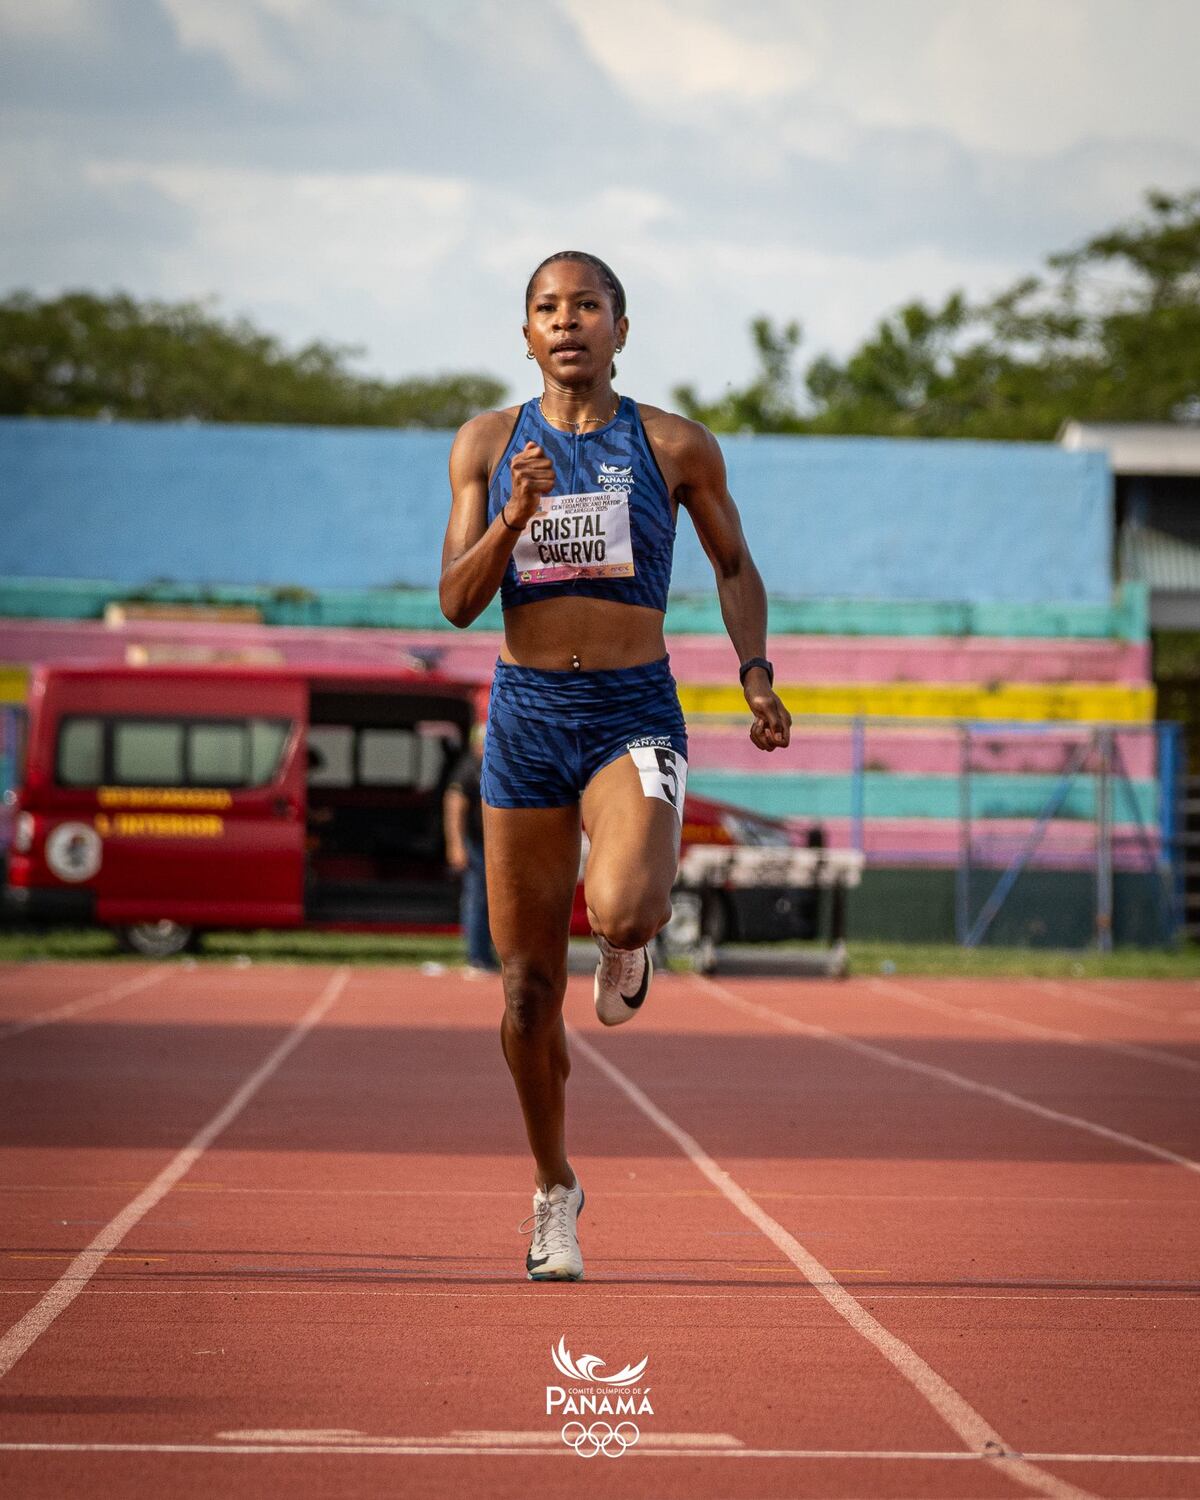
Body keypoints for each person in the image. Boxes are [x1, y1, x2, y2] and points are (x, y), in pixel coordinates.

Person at [440, 250, 791, 1281]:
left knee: (629, 907)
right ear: (525, 333)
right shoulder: (486, 444)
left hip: (632, 710)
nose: (567, 324)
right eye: (547, 309)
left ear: (620, 329)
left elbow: (733, 565)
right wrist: (513, 512)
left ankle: (630, 945)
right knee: (524, 991)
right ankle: (555, 1188)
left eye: (585, 307)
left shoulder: (675, 446)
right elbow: (457, 602)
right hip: (528, 716)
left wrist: (757, 673)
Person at [443, 724, 497, 976]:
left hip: (497, 845)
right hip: (477, 844)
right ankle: (477, 957)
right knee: (476, 899)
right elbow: (454, 806)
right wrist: (456, 846)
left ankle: (490, 956)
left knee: (496, 902)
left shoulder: (498, 767)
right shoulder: (469, 768)